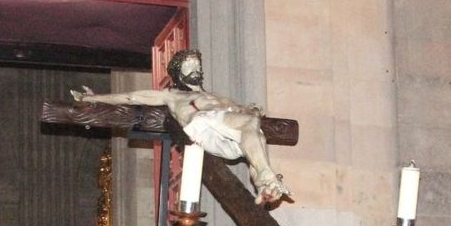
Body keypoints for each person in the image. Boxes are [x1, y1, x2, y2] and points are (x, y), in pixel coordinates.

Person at [72, 48, 292, 205]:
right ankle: (268, 178)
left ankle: (265, 187)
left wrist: (251, 110)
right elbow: (132, 97)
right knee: (250, 125)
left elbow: (244, 113)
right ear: (178, 71)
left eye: (197, 64)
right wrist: (95, 98)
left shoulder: (216, 95)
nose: (194, 67)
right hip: (203, 125)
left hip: (227, 127)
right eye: (188, 64)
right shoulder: (173, 95)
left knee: (255, 138)